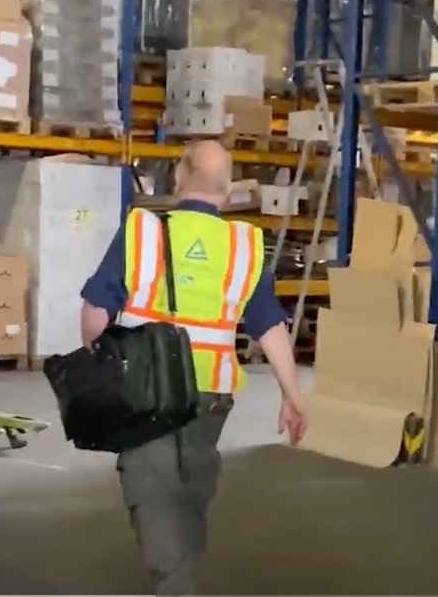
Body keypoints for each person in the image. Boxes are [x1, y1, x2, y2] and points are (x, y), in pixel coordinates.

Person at [79, 140, 307, 596]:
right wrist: (292, 394)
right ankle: (181, 566)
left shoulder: (142, 230)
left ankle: (176, 583)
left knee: (151, 484)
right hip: (211, 395)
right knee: (190, 482)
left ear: (180, 177)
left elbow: (96, 312)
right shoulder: (244, 245)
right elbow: (269, 326)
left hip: (146, 388)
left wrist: (95, 355)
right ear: (226, 189)